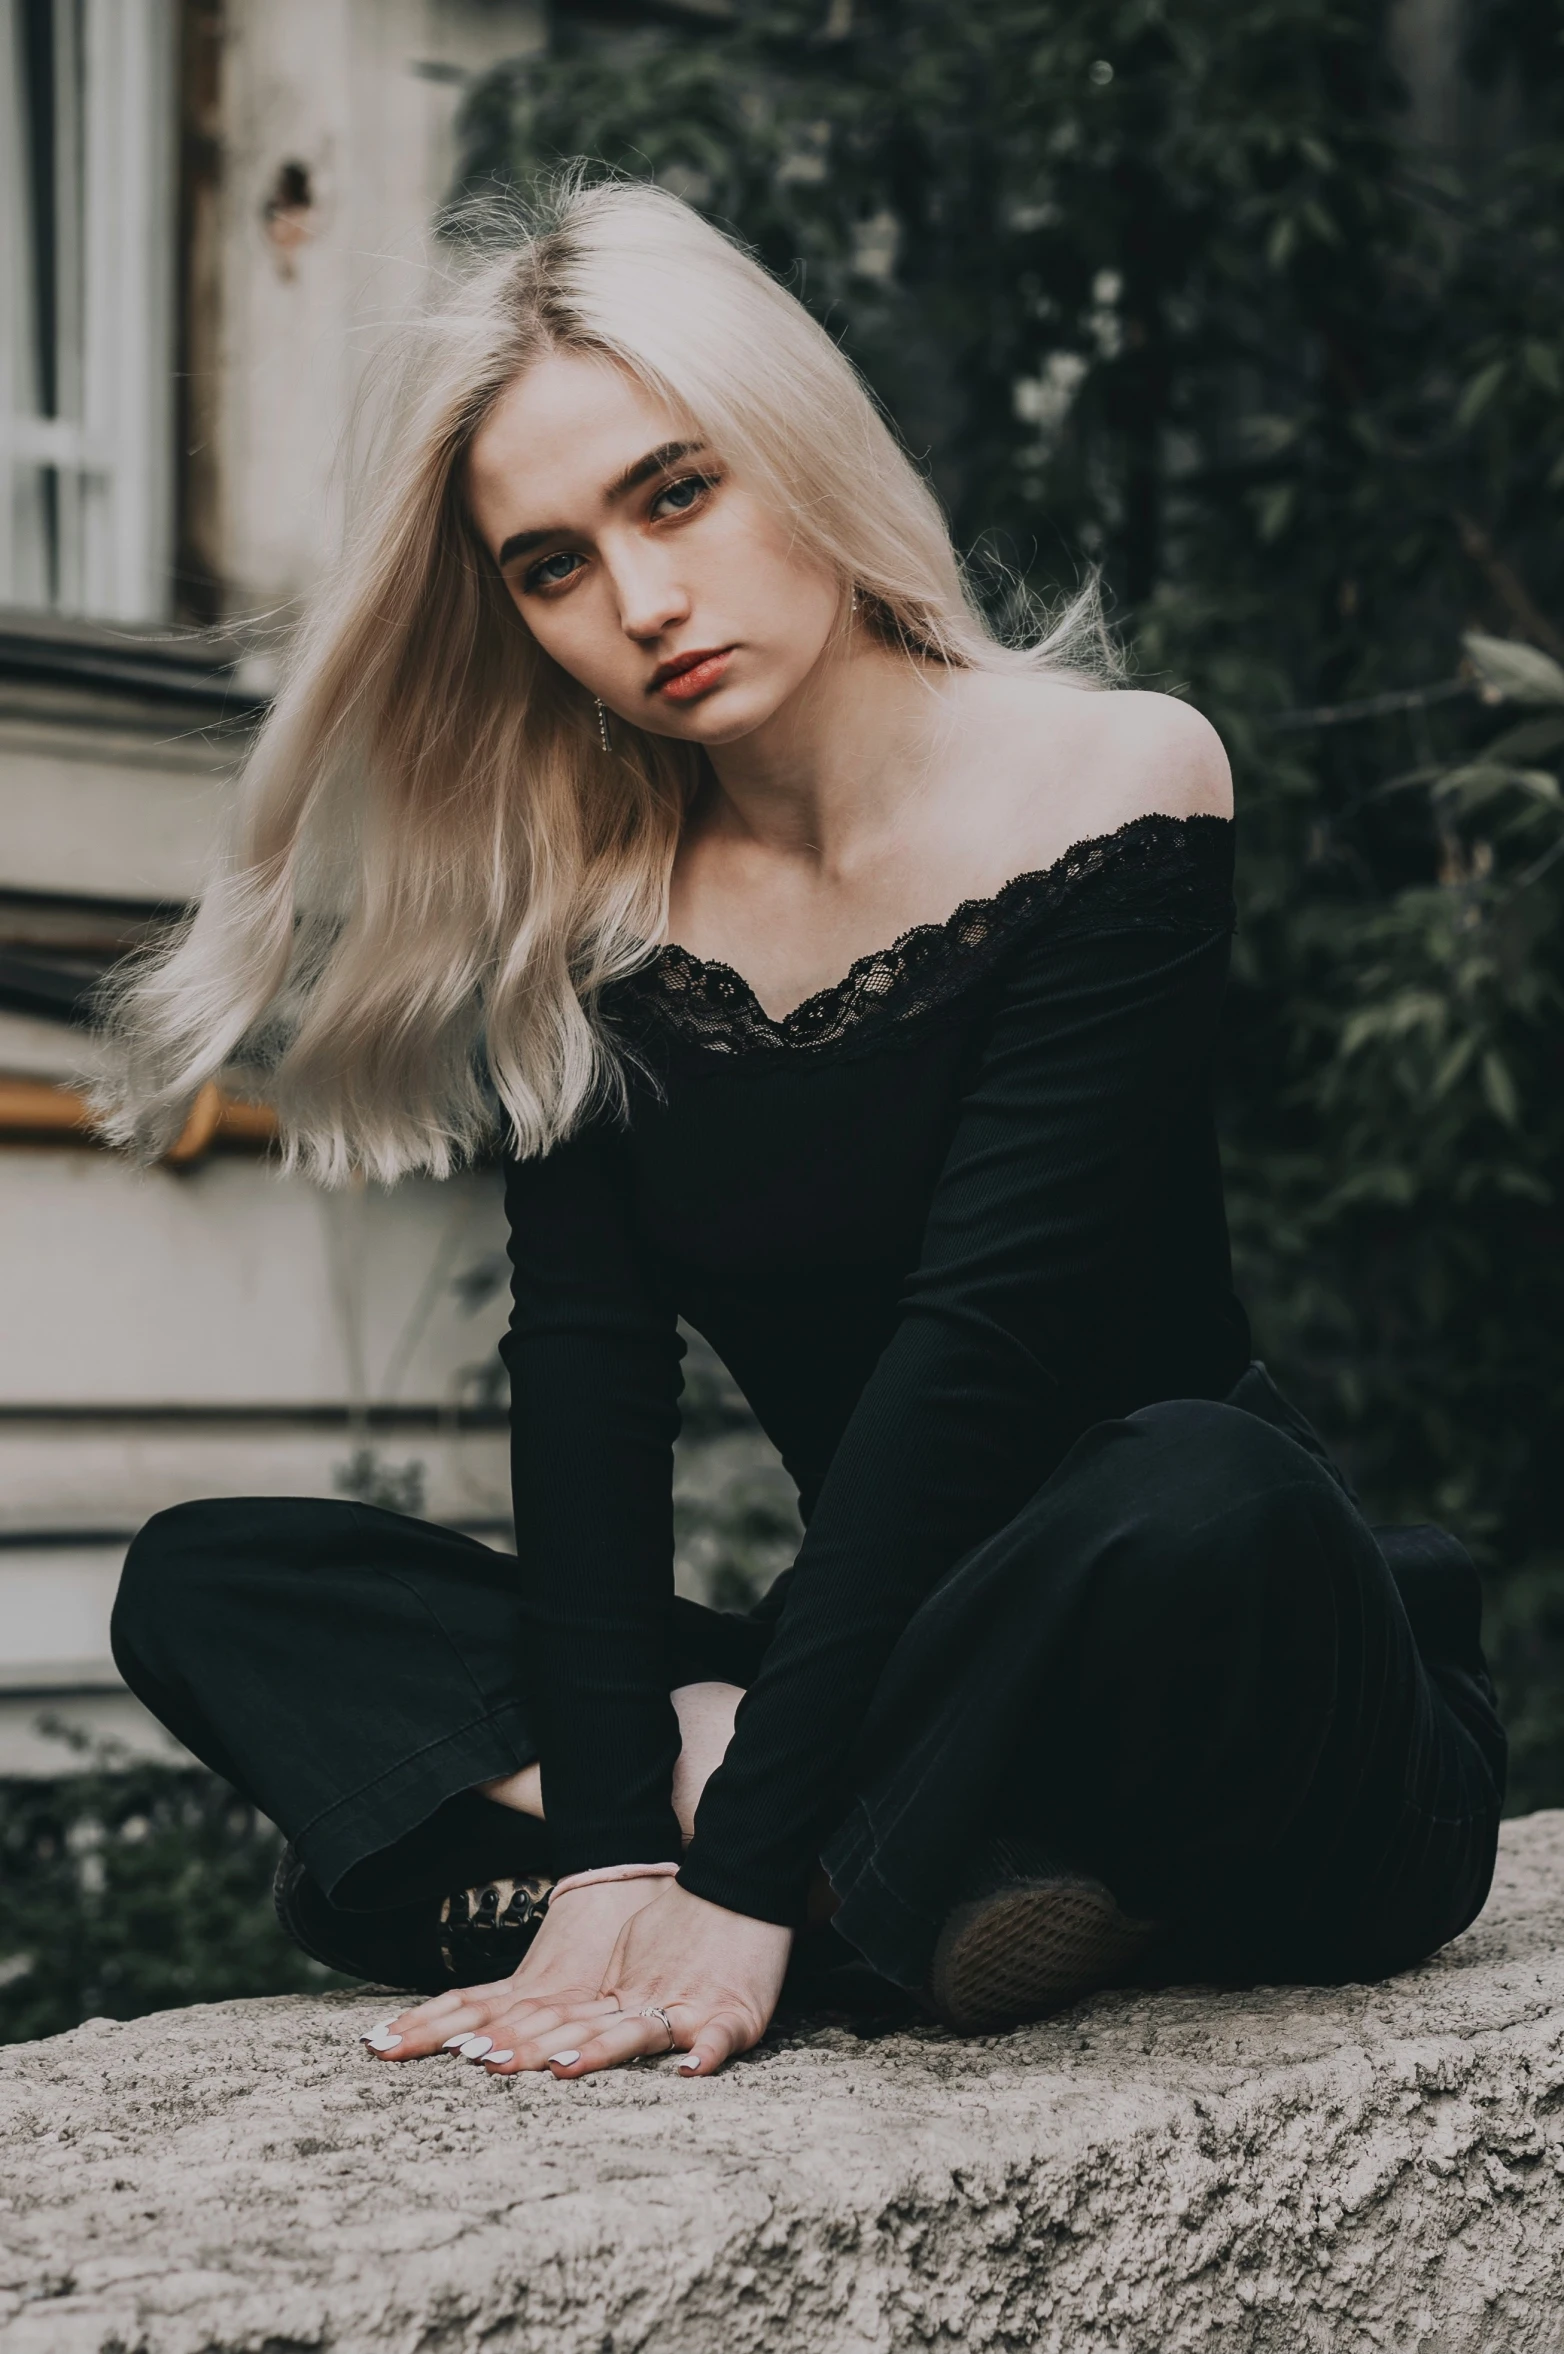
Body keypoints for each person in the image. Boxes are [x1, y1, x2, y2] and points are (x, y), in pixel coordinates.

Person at [104, 177, 1504, 2085]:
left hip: (1218, 1666)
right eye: (551, 565)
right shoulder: (594, 925)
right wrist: (612, 1838)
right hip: (889, 1676)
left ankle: (800, 1881)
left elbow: (981, 1353)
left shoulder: (1118, 781)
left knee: (1201, 1486)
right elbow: (588, 1399)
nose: (643, 603)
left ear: (795, 445)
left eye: (675, 492)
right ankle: (930, 1886)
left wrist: (734, 1848)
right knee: (209, 1573)